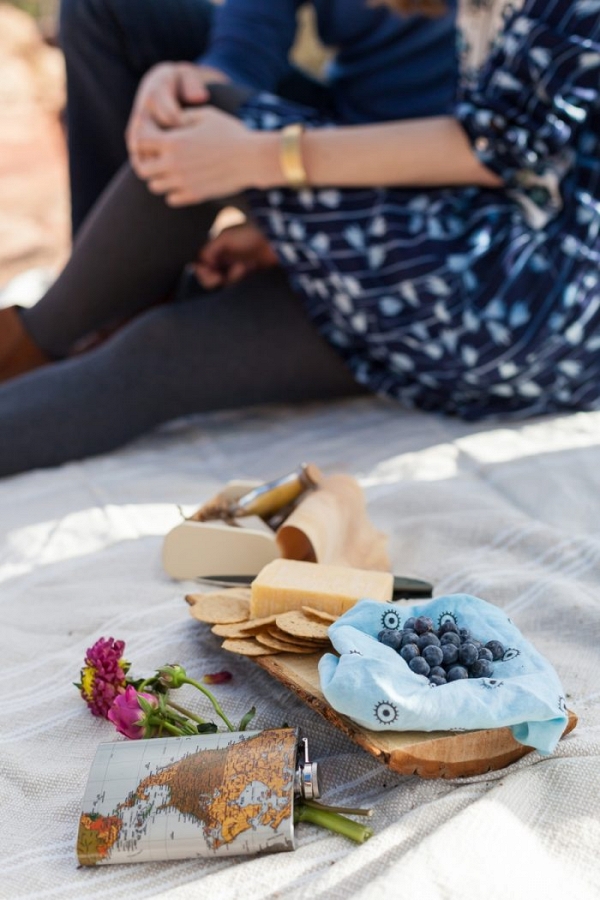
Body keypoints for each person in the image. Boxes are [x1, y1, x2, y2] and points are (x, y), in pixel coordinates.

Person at [0, 0, 598, 478]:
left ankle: (45, 334)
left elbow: (491, 147)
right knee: (157, 351)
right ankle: (72, 327)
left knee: (213, 121)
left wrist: (266, 161)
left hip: (517, 292)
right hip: (477, 268)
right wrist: (303, 226)